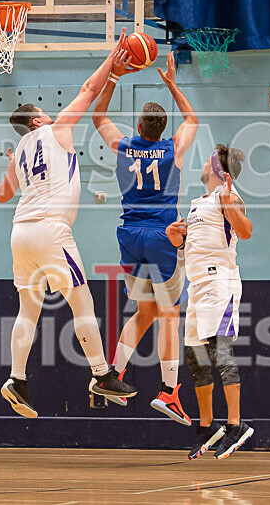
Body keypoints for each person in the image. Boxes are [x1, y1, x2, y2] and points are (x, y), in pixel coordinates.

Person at [0, 29, 137, 417]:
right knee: (81, 301)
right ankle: (101, 374)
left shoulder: (20, 151)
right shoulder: (57, 129)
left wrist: (11, 161)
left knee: (29, 308)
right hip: (49, 229)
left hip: (19, 232)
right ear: (39, 118)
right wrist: (112, 60)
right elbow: (89, 90)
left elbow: (2, 195)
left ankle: (17, 379)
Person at [91, 52, 198, 424]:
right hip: (163, 235)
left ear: (138, 125)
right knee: (169, 314)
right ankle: (169, 392)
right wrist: (172, 84)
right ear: (162, 128)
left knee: (145, 310)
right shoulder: (174, 148)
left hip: (129, 234)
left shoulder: (124, 146)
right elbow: (192, 119)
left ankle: (113, 374)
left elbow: (98, 116)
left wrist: (114, 77)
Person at [166, 145, 254, 459]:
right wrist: (178, 239)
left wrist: (230, 205)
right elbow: (192, 247)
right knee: (196, 359)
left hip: (220, 283)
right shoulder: (198, 203)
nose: (202, 163)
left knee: (222, 352)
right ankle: (208, 425)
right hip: (198, 286)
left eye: (207, 160)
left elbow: (245, 232)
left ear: (218, 170)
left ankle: (236, 425)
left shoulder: (228, 197)